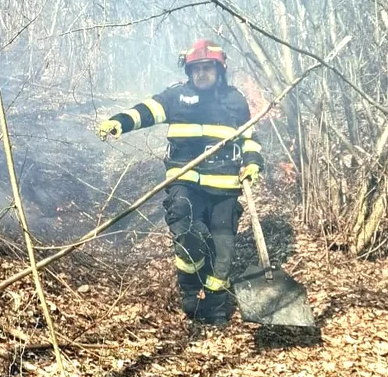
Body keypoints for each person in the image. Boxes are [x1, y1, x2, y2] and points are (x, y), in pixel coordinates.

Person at [95, 40, 263, 325]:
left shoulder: (235, 101)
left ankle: (215, 306)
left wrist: (253, 162)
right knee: (188, 235)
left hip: (224, 187)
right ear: (189, 71)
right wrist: (120, 121)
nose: (201, 74)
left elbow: (249, 137)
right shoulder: (177, 97)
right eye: (196, 69)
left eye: (207, 68)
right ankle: (191, 290)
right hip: (184, 182)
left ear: (219, 70)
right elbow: (147, 111)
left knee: (223, 250)